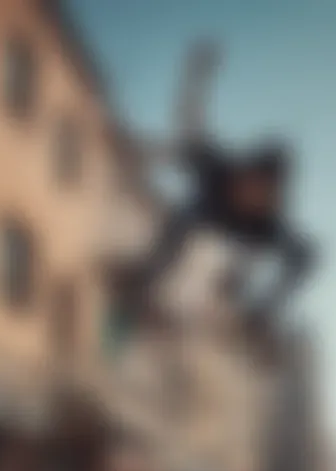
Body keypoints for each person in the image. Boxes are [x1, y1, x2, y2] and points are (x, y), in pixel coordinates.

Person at [126, 41, 320, 336]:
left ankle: (243, 302)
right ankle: (148, 275)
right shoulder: (221, 170)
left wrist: (268, 306)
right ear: (244, 174)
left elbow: (305, 258)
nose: (255, 199)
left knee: (286, 257)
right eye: (252, 187)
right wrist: (196, 75)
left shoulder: (270, 223)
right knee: (185, 209)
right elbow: (190, 124)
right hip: (204, 214)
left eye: (265, 196)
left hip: (242, 255)